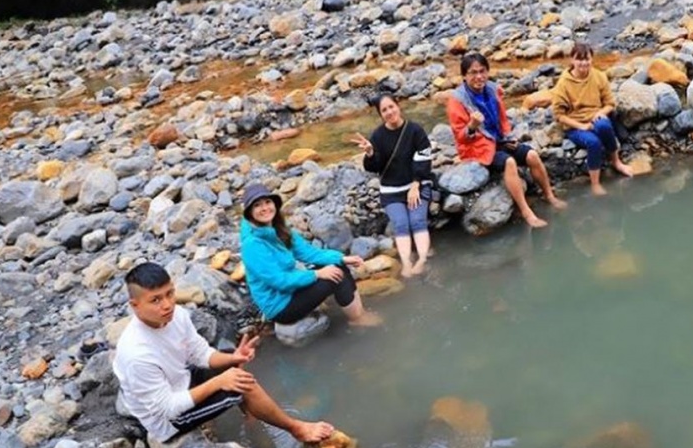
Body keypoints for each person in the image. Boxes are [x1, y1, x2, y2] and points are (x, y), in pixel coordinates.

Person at [112, 262, 335, 444]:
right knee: (237, 387)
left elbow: (199, 353)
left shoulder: (176, 315)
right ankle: (296, 429)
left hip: (179, 381)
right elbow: (168, 409)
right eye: (156, 300)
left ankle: (252, 413)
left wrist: (234, 358)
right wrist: (219, 382)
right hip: (166, 421)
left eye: (169, 293)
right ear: (135, 305)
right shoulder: (136, 355)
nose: (167, 304)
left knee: (229, 360)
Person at [446, 52, 567, 228]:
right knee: (510, 162)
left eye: (482, 71)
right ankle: (527, 212)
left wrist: (509, 138)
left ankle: (549, 195)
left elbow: (502, 121)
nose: (479, 77)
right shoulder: (457, 101)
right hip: (477, 148)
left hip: (499, 141)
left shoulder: (493, 90)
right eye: (473, 73)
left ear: (488, 72)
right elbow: (461, 137)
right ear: (464, 76)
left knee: (532, 155)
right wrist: (472, 126)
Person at [240, 183, 382, 327]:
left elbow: (309, 253)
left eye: (267, 202)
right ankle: (358, 319)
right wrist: (317, 274)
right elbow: (279, 281)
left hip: (291, 289)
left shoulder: (277, 228)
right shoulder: (252, 245)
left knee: (337, 266)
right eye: (257, 205)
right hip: (280, 305)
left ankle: (359, 314)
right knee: (337, 278)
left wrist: (341, 258)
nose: (264, 208)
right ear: (249, 212)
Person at [351, 94, 433, 277]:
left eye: (391, 107)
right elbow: (374, 168)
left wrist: (416, 184)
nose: (389, 112)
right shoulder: (378, 136)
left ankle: (421, 259)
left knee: (417, 220)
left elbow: (424, 159)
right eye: (384, 110)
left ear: (398, 106)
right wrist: (371, 153)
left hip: (416, 185)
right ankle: (406, 262)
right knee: (401, 223)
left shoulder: (415, 130)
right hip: (392, 190)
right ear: (381, 115)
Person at [552, 42, 635, 196]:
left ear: (592, 59)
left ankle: (616, 162)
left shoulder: (598, 76)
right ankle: (595, 184)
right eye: (579, 59)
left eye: (587, 59)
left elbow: (610, 103)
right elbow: (559, 115)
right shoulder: (563, 83)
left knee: (604, 125)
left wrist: (601, 112)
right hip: (575, 125)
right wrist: (581, 126)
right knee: (593, 143)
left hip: (595, 117)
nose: (584, 63)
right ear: (572, 60)